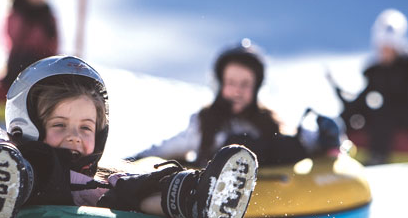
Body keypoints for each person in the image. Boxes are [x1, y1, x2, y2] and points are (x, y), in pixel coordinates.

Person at [0, 55, 258, 218]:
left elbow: (121, 190)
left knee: (127, 186)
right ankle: (3, 187)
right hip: (21, 175)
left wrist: (157, 184)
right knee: (32, 169)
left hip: (81, 194)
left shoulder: (93, 177)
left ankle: (197, 197)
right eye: (59, 125)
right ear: (27, 124)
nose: (75, 136)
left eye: (86, 127)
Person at [133, 41, 341, 167]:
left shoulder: (267, 121)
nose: (238, 91)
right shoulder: (206, 123)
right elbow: (172, 146)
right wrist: (137, 160)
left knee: (281, 145)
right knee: (236, 143)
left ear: (257, 87)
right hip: (223, 200)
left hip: (273, 194)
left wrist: (326, 136)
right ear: (220, 84)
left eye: (245, 84)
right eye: (231, 83)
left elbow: (302, 139)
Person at [334, 9, 408, 164]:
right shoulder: (377, 71)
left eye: (388, 47)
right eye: (381, 47)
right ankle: (333, 145)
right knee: (360, 113)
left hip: (406, 121)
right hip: (381, 120)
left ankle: (378, 156)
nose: (384, 52)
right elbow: (360, 101)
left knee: (382, 112)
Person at [1, 0, 59, 88]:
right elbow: (15, 37)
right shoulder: (18, 11)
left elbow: (53, 41)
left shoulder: (47, 14)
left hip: (43, 63)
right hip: (20, 62)